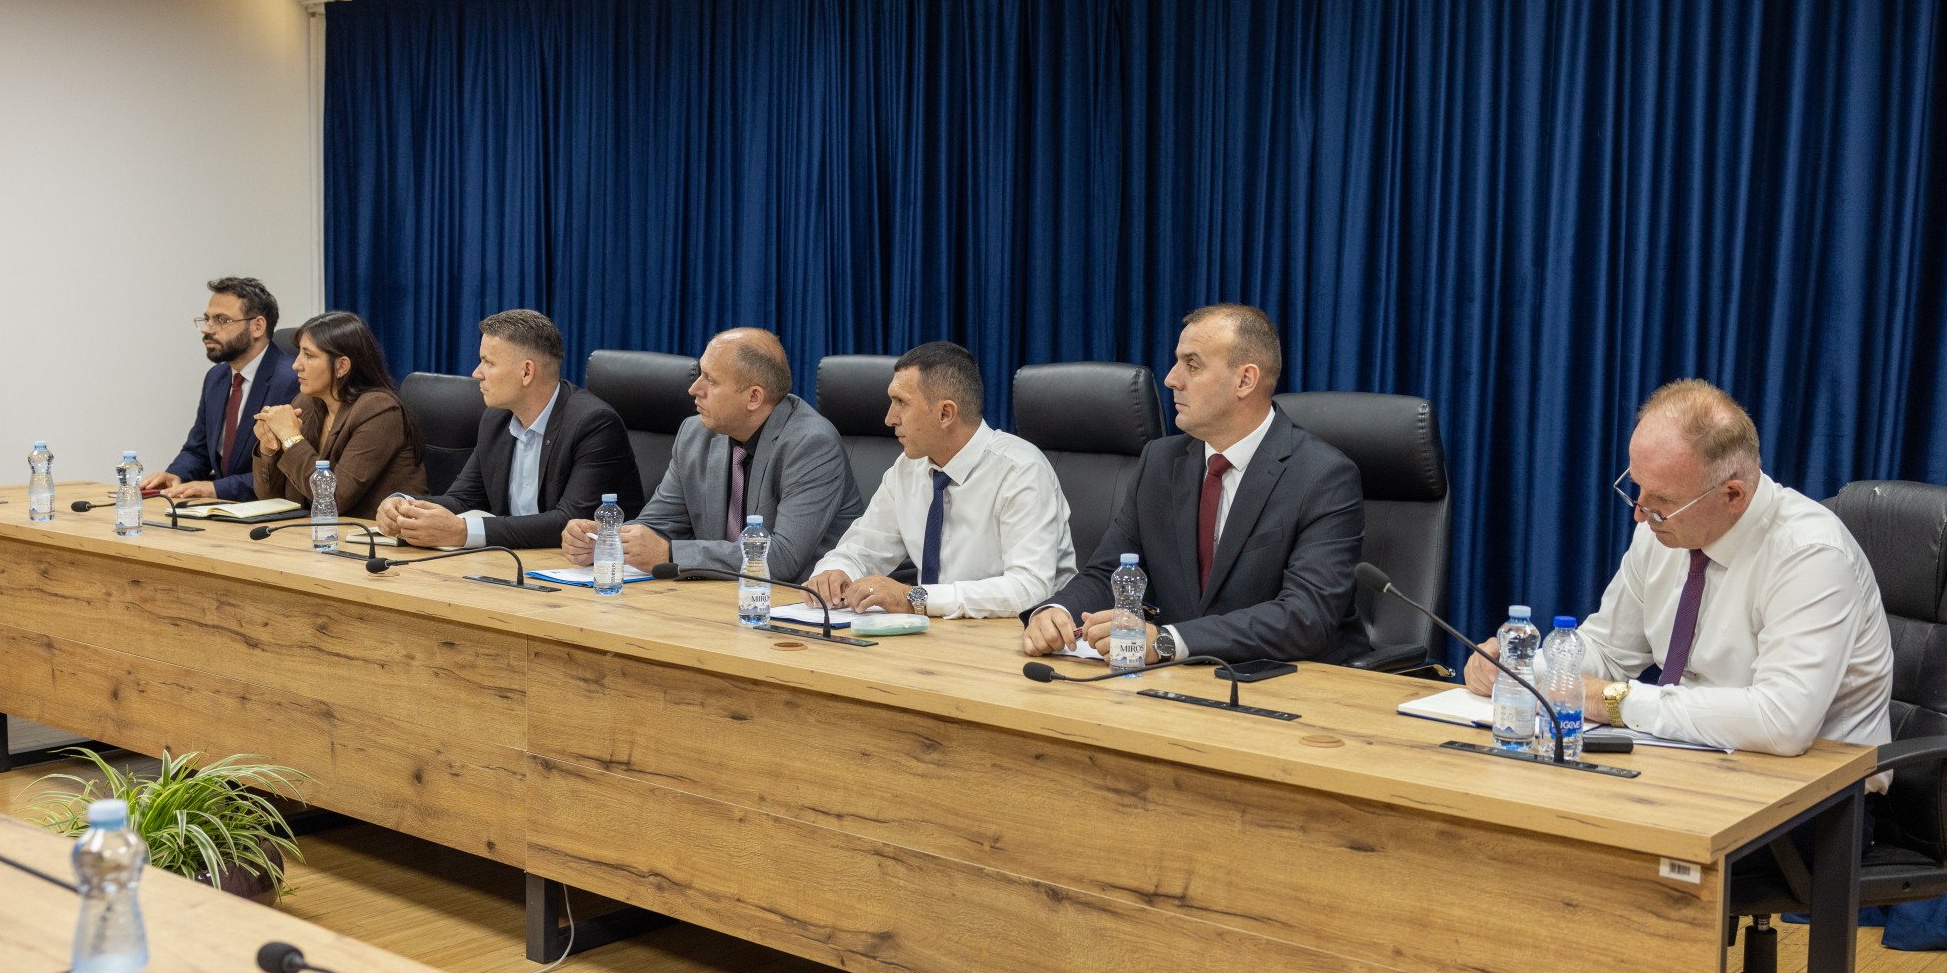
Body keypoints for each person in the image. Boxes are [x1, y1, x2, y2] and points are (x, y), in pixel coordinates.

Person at [1463, 379, 1893, 763]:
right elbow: (1609, 653)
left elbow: (1781, 722)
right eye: (1637, 487)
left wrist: (1614, 701)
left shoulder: (1810, 554)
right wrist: (1521, 671)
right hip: (1693, 761)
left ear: (1733, 495)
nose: (1640, 514)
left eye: (1662, 501)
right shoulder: (1660, 532)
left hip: (1820, 796)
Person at [1021, 304, 1371, 667]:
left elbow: (1306, 616)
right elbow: (1109, 571)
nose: (1171, 379)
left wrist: (1170, 641)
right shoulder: (1160, 461)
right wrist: (1056, 611)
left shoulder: (1323, 476)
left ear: (1244, 381)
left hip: (1294, 681)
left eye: (1192, 365)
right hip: (1184, 679)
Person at [560, 328, 861, 579]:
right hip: (718, 598)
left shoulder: (812, 445)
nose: (694, 389)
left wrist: (670, 554)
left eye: (711, 380)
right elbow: (658, 524)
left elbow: (782, 559)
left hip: (797, 607)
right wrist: (605, 538)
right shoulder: (695, 434)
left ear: (754, 397)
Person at [808, 342, 1075, 619]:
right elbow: (861, 549)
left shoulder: (1020, 471)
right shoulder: (908, 468)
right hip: (932, 631)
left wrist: (914, 598)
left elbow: (1029, 588)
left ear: (945, 414)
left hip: (1017, 633)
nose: (889, 418)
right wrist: (834, 572)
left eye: (901, 402)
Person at [375, 310, 642, 550]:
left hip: (587, 573)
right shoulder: (496, 420)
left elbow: (569, 521)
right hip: (511, 563)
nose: (476, 373)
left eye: (488, 362)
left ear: (526, 372)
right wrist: (405, 506)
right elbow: (464, 499)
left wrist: (463, 532)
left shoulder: (594, 424)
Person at [252, 311, 427, 517]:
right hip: (315, 531)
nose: (296, 364)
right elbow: (271, 500)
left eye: (309, 355)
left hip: (377, 533)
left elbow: (334, 499)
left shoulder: (379, 410)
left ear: (342, 366)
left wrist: (290, 438)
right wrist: (269, 447)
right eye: (299, 353)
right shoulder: (306, 403)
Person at [143, 277, 297, 502]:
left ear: (257, 326)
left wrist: (216, 489)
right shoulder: (216, 377)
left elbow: (286, 472)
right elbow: (198, 450)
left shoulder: (292, 380)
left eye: (221, 320)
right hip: (219, 509)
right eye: (207, 319)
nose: (206, 329)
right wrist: (176, 475)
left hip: (266, 510)